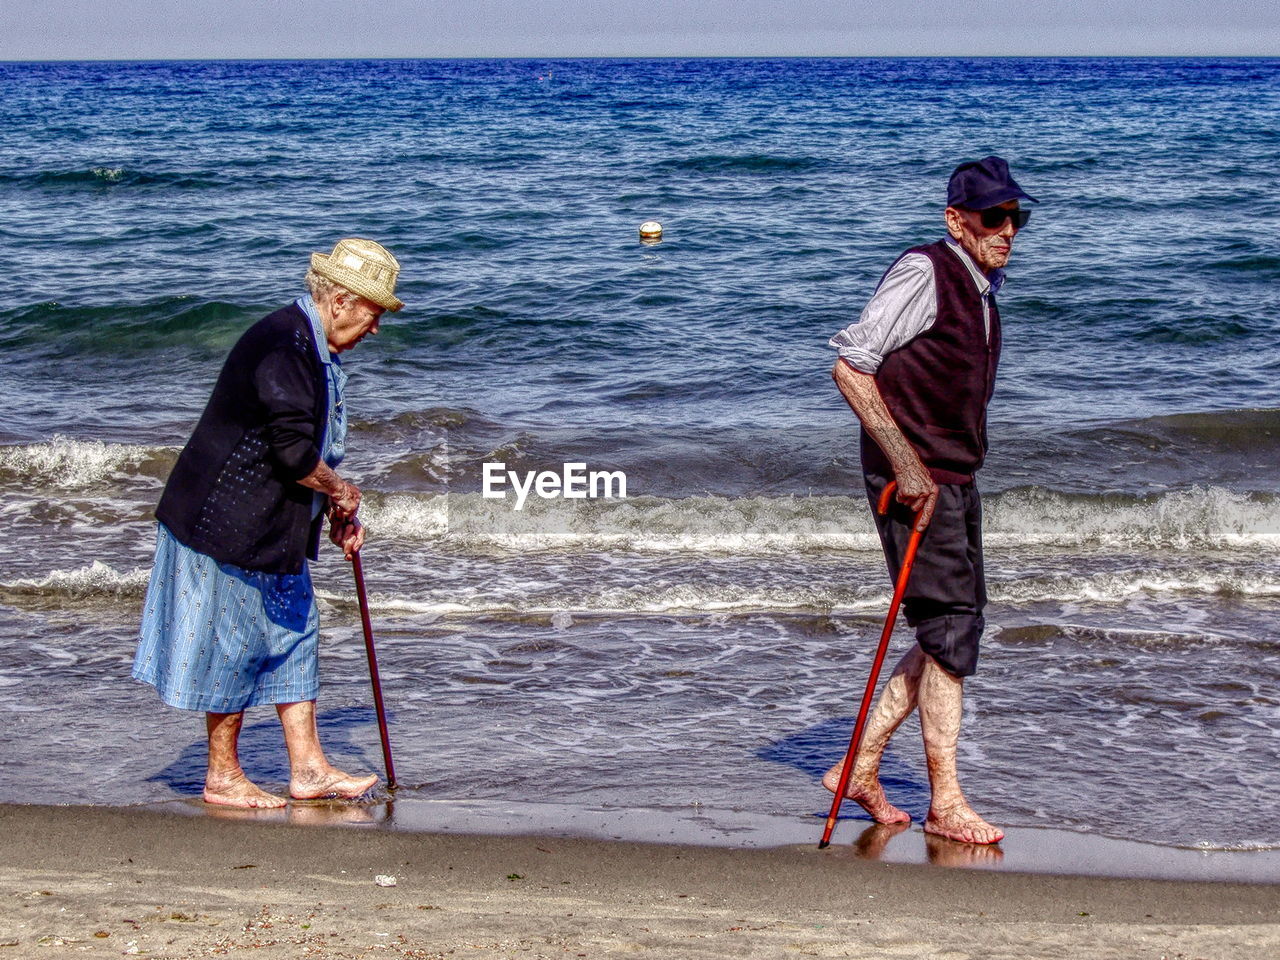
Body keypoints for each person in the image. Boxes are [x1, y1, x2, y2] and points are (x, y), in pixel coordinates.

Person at [132, 238, 404, 808]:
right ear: (340, 302)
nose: (376, 327)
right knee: (235, 645)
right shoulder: (286, 346)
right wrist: (341, 490)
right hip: (224, 520)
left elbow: (302, 450)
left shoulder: (313, 345)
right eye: (373, 313)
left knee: (295, 634)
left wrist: (332, 511)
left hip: (270, 522)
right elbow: (291, 454)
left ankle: (308, 770)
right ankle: (222, 777)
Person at [823, 157, 1037, 845]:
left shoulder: (982, 287)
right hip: (911, 477)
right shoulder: (926, 271)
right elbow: (851, 366)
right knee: (949, 629)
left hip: (951, 475)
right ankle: (946, 802)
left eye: (1016, 218)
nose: (1007, 230)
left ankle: (858, 767)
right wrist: (908, 465)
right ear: (957, 220)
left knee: (954, 627)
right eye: (993, 217)